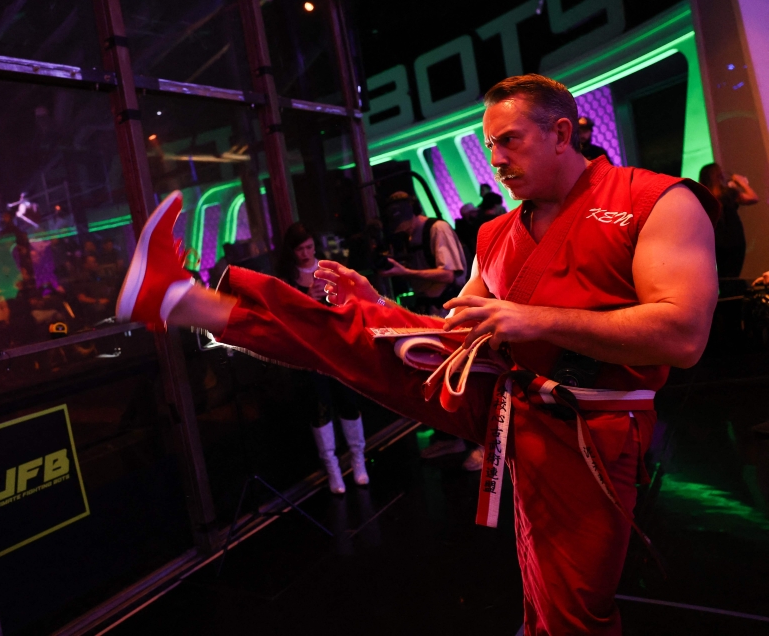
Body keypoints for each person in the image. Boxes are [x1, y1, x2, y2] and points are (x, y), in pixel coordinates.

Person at [114, 73, 720, 635]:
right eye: (491, 146)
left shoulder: (657, 201)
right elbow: (460, 327)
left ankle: (181, 301)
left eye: (509, 141)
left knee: (572, 607)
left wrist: (529, 318)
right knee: (373, 338)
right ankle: (188, 302)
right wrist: (375, 303)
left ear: (562, 132)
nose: (497, 160)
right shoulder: (497, 233)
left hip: (594, 421)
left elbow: (683, 336)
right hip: (508, 396)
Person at [279, 223, 369, 494]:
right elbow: (286, 317)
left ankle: (358, 460)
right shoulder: (286, 276)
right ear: (291, 251)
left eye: (309, 247)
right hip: (311, 351)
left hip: (338, 347)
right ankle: (332, 468)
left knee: (348, 402)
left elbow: (351, 302)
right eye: (299, 249)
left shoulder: (329, 269)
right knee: (319, 406)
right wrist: (307, 298)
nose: (305, 253)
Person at [377, 191, 468, 317]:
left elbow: (448, 275)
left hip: (449, 308)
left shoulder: (438, 229)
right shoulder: (409, 237)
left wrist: (406, 272)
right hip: (429, 308)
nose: (404, 228)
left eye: (406, 223)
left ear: (414, 211)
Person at [699, 162, 758, 278]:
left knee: (723, 275)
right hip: (735, 239)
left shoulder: (703, 197)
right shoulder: (729, 193)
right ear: (719, 175)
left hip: (716, 241)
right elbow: (753, 198)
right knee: (733, 274)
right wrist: (740, 182)